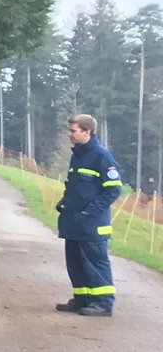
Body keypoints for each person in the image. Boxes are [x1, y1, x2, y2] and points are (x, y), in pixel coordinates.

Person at [55, 114, 124, 317]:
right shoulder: (78, 155)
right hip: (74, 222)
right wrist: (64, 203)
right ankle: (83, 298)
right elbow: (75, 186)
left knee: (95, 262)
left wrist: (89, 211)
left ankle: (103, 303)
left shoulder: (102, 156)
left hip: (93, 224)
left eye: (73, 130)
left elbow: (113, 190)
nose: (69, 134)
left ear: (87, 132)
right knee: (75, 262)